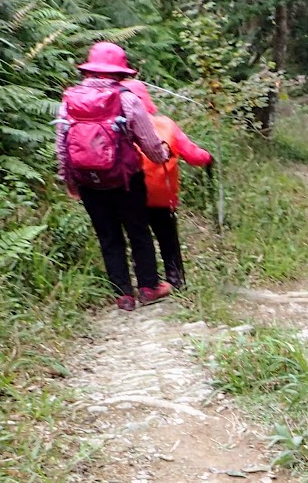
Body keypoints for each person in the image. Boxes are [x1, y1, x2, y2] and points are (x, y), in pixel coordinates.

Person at [56, 42, 171, 311]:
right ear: (120, 72)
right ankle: (148, 288)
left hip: (88, 180)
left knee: (108, 236)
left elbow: (62, 144)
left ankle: (123, 295)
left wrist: (69, 180)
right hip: (126, 180)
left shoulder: (69, 99)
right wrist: (163, 155)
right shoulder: (128, 99)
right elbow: (149, 143)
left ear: (89, 69)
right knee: (138, 231)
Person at [125, 80, 213, 291]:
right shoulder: (166, 125)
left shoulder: (120, 127)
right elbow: (192, 154)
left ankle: (147, 283)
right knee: (168, 239)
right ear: (147, 100)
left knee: (139, 239)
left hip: (130, 195)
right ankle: (176, 280)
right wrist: (208, 157)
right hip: (163, 196)